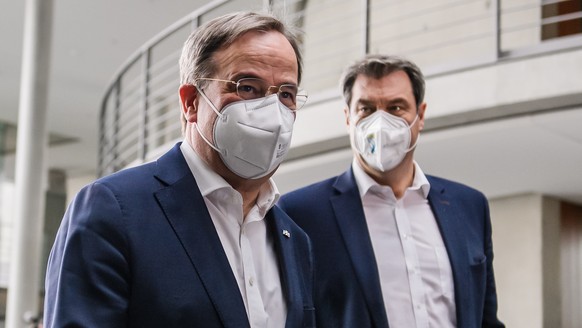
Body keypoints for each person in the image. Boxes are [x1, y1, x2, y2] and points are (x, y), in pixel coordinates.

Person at [44, 11, 315, 328]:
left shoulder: (293, 239)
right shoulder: (114, 209)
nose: (272, 112)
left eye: (286, 94)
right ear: (191, 102)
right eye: (247, 87)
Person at [278, 54, 504, 328]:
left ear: (420, 116)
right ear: (348, 118)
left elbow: (485, 319)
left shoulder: (469, 206)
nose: (381, 123)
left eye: (396, 108)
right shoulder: (302, 213)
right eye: (367, 109)